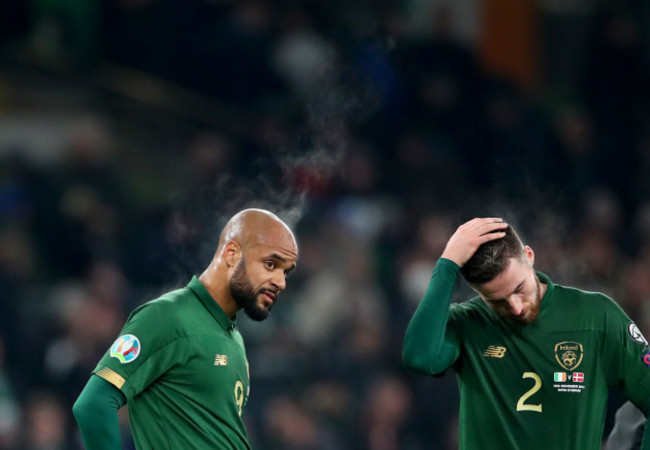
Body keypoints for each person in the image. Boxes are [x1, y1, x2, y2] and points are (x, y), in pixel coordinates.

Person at [402, 217, 650, 450]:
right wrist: (447, 264)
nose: (516, 308)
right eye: (496, 300)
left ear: (529, 256)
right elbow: (421, 358)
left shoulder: (596, 315)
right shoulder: (468, 322)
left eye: (519, 288)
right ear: (477, 292)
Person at [73, 208, 298, 449]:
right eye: (271, 264)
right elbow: (93, 405)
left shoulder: (234, 340)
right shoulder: (167, 316)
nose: (281, 282)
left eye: (285, 271)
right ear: (232, 253)